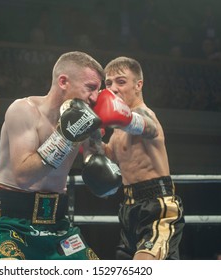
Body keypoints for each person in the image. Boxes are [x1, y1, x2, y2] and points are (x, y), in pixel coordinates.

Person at [0, 51, 109, 260]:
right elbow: (23, 176)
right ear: (63, 81)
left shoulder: (85, 120)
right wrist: (65, 137)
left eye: (98, 90)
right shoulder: (23, 110)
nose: (94, 97)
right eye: (90, 88)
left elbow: (103, 185)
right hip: (12, 221)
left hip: (58, 222)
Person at [85, 56, 185, 260]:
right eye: (109, 83)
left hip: (158, 206)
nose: (113, 88)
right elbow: (107, 156)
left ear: (138, 85)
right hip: (129, 207)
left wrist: (123, 116)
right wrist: (90, 131)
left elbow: (149, 128)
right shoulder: (118, 130)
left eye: (121, 82)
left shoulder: (145, 114)